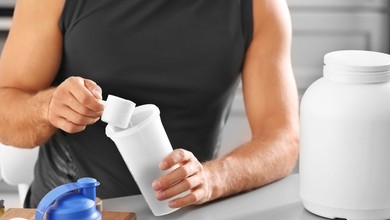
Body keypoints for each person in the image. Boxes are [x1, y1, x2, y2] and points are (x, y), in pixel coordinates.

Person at [0, 0, 299, 209]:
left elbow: (282, 138)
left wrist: (214, 178)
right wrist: (48, 106)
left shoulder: (259, 5)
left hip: (184, 218)